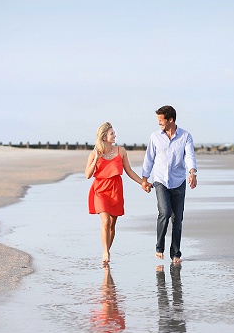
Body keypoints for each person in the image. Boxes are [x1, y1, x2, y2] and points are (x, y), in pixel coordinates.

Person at [140, 105, 198, 265]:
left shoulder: (185, 136)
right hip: (160, 181)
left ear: (170, 120)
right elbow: (149, 159)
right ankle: (159, 247)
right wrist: (144, 179)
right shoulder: (155, 137)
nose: (159, 124)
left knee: (177, 219)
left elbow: (189, 157)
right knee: (165, 212)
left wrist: (192, 172)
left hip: (178, 182)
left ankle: (176, 253)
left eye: (161, 120)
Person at [85, 122, 148, 266]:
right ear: (104, 136)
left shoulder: (121, 151)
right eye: (112, 133)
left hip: (116, 190)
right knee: (105, 221)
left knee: (112, 225)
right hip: (100, 190)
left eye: (114, 133)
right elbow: (88, 175)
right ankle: (105, 251)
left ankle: (107, 250)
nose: (115, 135)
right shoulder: (94, 153)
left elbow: (129, 171)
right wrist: (96, 159)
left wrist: (142, 183)